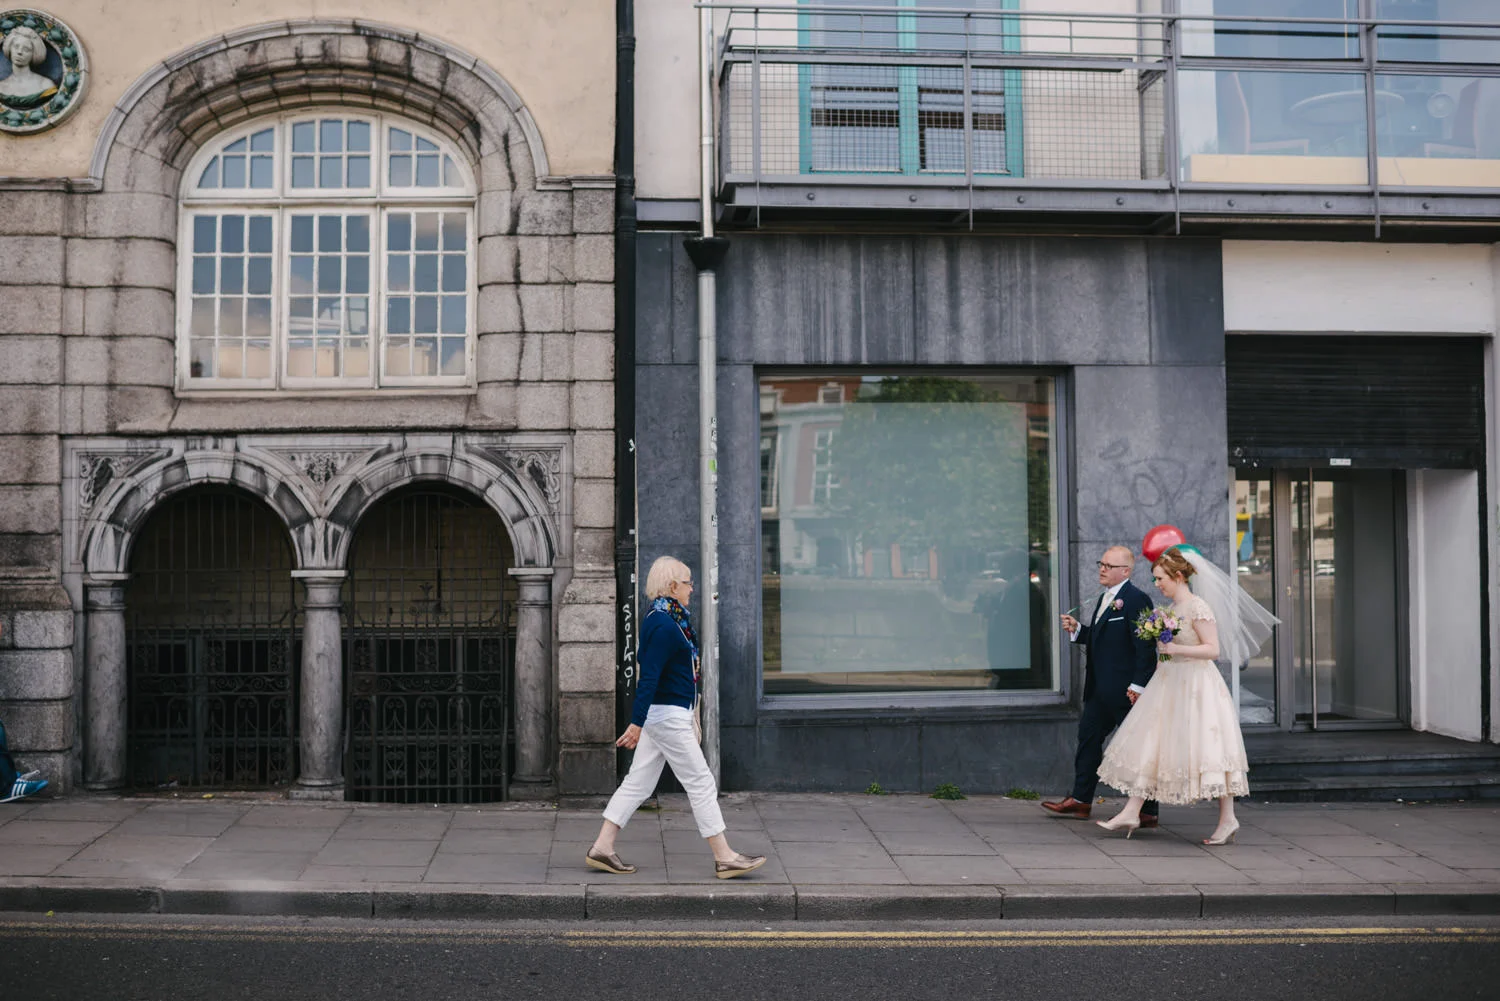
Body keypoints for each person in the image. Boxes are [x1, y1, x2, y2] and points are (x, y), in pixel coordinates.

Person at [587, 556, 766, 879]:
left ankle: (602, 847)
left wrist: (691, 715)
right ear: (672, 586)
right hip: (665, 717)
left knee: (638, 783)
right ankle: (724, 856)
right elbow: (649, 677)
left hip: (670, 714)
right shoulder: (662, 623)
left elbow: (681, 675)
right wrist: (637, 722)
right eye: (687, 582)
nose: (692, 588)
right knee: (700, 782)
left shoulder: (673, 620)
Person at [1094, 547, 1251, 846]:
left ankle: (1228, 818)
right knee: (1151, 742)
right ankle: (1131, 810)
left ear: (1178, 576)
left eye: (1160, 579)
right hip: (1169, 681)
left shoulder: (1197, 607)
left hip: (1196, 686)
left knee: (1211, 751)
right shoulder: (1170, 611)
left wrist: (1176, 649)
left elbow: (1213, 649)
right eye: (1155, 579)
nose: (1157, 585)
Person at [1041, 545, 1159, 826]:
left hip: (1125, 691)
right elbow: (1103, 637)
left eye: (1108, 565)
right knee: (1088, 739)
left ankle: (1149, 810)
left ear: (1126, 571)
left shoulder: (1135, 599)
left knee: (1137, 748)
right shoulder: (1106, 598)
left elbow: (1145, 648)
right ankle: (1081, 800)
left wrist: (1139, 686)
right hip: (1099, 688)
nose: (1102, 569)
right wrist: (1079, 630)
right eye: (1101, 564)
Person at [0, 27, 59, 107]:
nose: (19, 52)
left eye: (26, 49)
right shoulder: (1, 86)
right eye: (16, 47)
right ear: (9, 49)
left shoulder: (45, 85)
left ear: (34, 54)